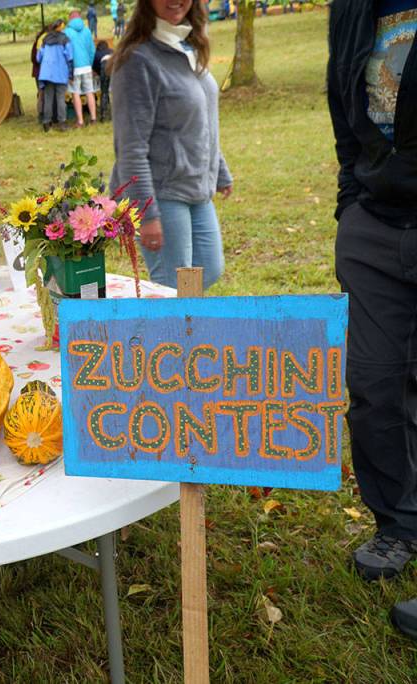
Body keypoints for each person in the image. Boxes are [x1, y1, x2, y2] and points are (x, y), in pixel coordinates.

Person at [326, 0, 417, 637]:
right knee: (374, 382)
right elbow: (346, 112)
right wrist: (350, 206)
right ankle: (397, 524)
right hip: (374, 225)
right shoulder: (351, 8)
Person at [108, 0, 233, 290]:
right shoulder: (137, 61)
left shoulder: (187, 46)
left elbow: (202, 119)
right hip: (161, 192)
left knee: (209, 270)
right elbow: (130, 148)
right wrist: (146, 213)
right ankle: (165, 322)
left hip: (195, 187)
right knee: (173, 286)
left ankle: (181, 320)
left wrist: (219, 170)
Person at [37, 20, 74, 132]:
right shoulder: (65, 39)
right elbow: (70, 56)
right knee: (60, 99)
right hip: (60, 72)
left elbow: (38, 58)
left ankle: (46, 123)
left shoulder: (45, 39)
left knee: (48, 98)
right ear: (62, 27)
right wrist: (71, 74)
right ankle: (62, 123)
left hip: (47, 73)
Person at [65, 11, 97, 126]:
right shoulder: (87, 30)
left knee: (76, 93)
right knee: (90, 92)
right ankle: (93, 118)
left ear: (70, 19)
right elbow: (92, 50)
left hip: (74, 67)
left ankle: (80, 121)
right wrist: (90, 64)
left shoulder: (66, 32)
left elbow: (66, 52)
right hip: (87, 66)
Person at [31, 24, 51, 120]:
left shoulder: (38, 41)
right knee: (43, 93)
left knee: (42, 93)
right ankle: (42, 115)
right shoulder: (41, 41)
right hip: (41, 72)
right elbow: (35, 58)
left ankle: (43, 114)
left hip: (39, 72)